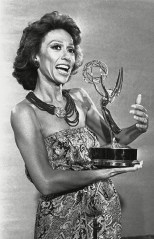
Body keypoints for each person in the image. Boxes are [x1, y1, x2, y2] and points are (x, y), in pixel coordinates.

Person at [11, 11, 149, 239]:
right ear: (35, 55)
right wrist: (102, 173)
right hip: (62, 223)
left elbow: (111, 144)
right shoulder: (24, 112)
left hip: (104, 215)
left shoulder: (80, 98)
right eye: (57, 47)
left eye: (71, 49)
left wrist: (137, 128)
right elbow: (45, 182)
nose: (67, 56)